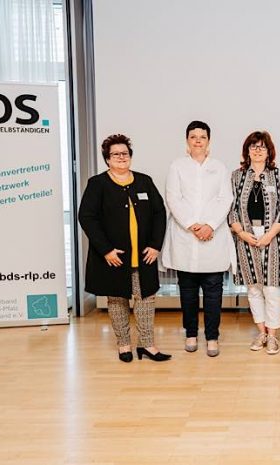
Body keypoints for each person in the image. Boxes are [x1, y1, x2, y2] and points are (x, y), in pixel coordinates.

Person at [78, 134, 170, 362]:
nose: (121, 157)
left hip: (144, 255)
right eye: (115, 154)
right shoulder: (97, 184)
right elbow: (87, 217)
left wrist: (155, 245)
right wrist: (106, 250)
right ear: (107, 159)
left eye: (125, 153)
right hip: (114, 257)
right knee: (118, 301)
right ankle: (124, 345)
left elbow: (160, 213)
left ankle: (147, 345)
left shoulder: (144, 181)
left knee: (145, 299)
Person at [161, 121, 236, 357]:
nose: (198, 141)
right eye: (193, 137)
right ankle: (191, 334)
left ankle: (212, 337)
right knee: (188, 292)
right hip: (186, 236)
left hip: (213, 238)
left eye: (202, 137)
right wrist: (193, 225)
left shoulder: (220, 167)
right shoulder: (177, 166)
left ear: (209, 141)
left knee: (214, 293)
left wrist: (210, 225)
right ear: (187, 141)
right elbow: (173, 198)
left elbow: (225, 199)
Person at [229, 131, 280, 355]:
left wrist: (269, 235)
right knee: (253, 288)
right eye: (253, 146)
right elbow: (232, 209)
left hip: (272, 236)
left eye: (262, 147)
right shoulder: (237, 176)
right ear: (247, 150)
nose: (257, 150)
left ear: (269, 152)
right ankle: (261, 332)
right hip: (245, 236)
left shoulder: (279, 175)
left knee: (271, 288)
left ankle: (273, 337)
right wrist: (241, 233)